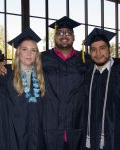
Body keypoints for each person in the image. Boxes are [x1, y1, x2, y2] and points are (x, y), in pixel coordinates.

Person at [41, 16, 88, 150]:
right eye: (60, 32)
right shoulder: (42, 58)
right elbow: (22, 66)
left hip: (77, 126)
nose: (64, 36)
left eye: (68, 32)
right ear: (54, 37)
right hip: (50, 127)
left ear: (73, 37)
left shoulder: (85, 59)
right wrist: (0, 67)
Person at [0, 27, 45, 150]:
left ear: (37, 54)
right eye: (25, 49)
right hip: (14, 134)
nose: (29, 54)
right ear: (18, 52)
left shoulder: (43, 76)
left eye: (33, 50)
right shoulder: (6, 74)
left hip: (37, 134)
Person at [84, 28, 120, 150]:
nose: (98, 53)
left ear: (109, 49)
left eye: (102, 48)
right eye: (93, 50)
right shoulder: (87, 73)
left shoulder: (118, 71)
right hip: (91, 137)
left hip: (115, 137)